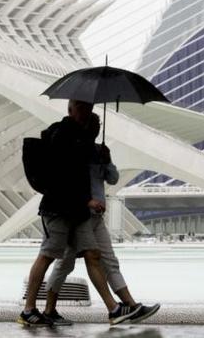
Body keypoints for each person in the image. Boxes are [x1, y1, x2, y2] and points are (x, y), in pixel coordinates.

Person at [18, 100, 141, 327]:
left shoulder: (81, 140)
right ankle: (29, 309)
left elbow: (93, 177)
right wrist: (88, 200)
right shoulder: (63, 135)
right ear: (70, 110)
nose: (86, 113)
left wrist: (103, 157)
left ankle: (114, 309)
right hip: (58, 209)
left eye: (89, 109)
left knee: (93, 255)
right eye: (82, 109)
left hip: (78, 212)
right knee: (47, 256)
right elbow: (62, 178)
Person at [42, 113, 160, 326]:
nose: (96, 129)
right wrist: (87, 201)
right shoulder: (76, 150)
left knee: (108, 260)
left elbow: (113, 179)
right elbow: (72, 182)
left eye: (98, 125)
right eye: (93, 125)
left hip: (96, 216)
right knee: (67, 263)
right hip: (80, 214)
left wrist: (107, 160)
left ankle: (130, 306)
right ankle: (52, 309)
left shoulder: (98, 151)